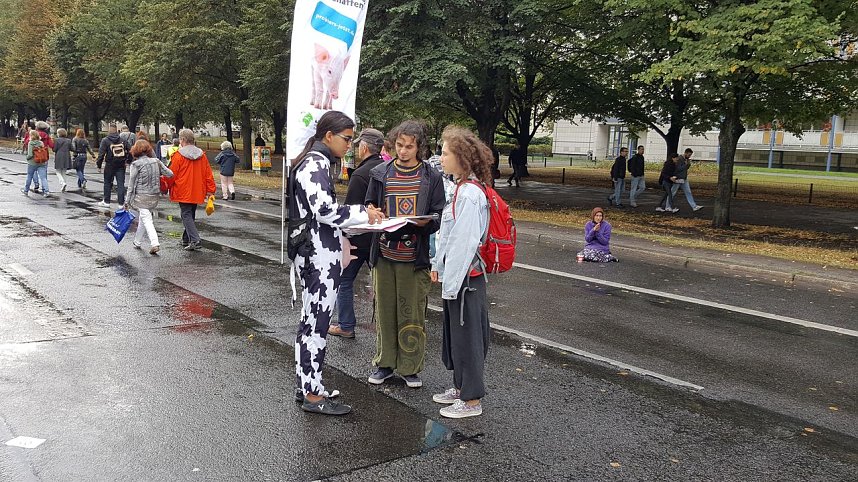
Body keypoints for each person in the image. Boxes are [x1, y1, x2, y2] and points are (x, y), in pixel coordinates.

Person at [290, 111, 384, 415]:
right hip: (319, 255)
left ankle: (308, 385)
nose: (350, 144)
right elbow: (325, 210)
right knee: (316, 325)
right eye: (346, 138)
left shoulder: (313, 161)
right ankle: (313, 394)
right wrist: (364, 216)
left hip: (316, 252)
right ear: (328, 136)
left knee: (310, 323)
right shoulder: (316, 163)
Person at [365, 120, 446, 389]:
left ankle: (409, 368)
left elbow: (438, 213)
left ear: (419, 147)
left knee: (412, 313)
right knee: (385, 311)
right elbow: (368, 205)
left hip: (415, 257)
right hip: (385, 254)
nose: (403, 151)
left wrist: (427, 222)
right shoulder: (380, 173)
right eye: (399, 145)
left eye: (409, 146)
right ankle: (384, 364)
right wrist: (372, 212)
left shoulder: (431, 177)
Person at [430, 126, 492, 419]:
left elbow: (463, 244)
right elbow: (448, 237)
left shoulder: (469, 195)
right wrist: (438, 267)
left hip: (467, 280)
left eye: (444, 153)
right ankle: (460, 387)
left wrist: (449, 280)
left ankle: (471, 400)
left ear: (461, 158)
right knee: (457, 335)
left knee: (468, 338)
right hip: (459, 278)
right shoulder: (461, 189)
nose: (440, 157)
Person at [328, 128, 387, 339]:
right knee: (382, 284)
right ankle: (386, 327)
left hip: (359, 236)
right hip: (382, 235)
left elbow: (351, 210)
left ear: (363, 147)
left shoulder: (361, 174)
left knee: (344, 280)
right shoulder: (388, 169)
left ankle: (346, 325)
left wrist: (343, 235)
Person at [168, 129, 216, 251]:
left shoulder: (178, 156)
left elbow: (172, 174)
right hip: (197, 189)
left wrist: (165, 186)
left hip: (182, 189)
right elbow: (208, 174)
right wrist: (210, 190)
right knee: (190, 213)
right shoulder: (202, 156)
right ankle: (186, 238)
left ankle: (194, 239)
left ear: (182, 140)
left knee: (186, 214)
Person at [126, 140, 173, 255]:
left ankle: (155, 243)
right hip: (154, 196)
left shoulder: (135, 165)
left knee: (147, 219)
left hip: (141, 197)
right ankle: (137, 242)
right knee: (144, 217)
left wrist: (127, 202)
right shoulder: (156, 161)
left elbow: (131, 186)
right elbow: (170, 174)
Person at [96, 124, 132, 208]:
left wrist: (99, 165)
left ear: (109, 130)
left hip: (109, 164)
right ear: (117, 130)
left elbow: (101, 154)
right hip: (121, 165)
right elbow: (131, 151)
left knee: (107, 183)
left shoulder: (105, 140)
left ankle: (106, 201)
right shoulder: (123, 140)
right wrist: (128, 161)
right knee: (120, 184)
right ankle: (121, 203)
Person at [23, 121, 54, 193]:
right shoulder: (46, 136)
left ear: (37, 127)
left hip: (33, 160)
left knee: (31, 174)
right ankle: (45, 190)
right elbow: (52, 145)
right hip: (43, 158)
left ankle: (34, 184)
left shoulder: (33, 135)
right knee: (43, 176)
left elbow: (26, 142)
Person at [22, 130, 50, 198]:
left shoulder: (31, 143)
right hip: (41, 162)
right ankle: (46, 191)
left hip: (32, 163)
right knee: (43, 178)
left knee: (29, 176)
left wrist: (27, 158)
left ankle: (26, 190)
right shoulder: (41, 143)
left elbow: (30, 154)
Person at [52, 128, 72, 192]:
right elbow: (72, 148)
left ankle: (62, 183)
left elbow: (54, 149)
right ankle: (64, 185)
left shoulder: (56, 140)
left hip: (59, 156)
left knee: (58, 171)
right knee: (64, 171)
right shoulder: (68, 140)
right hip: (66, 156)